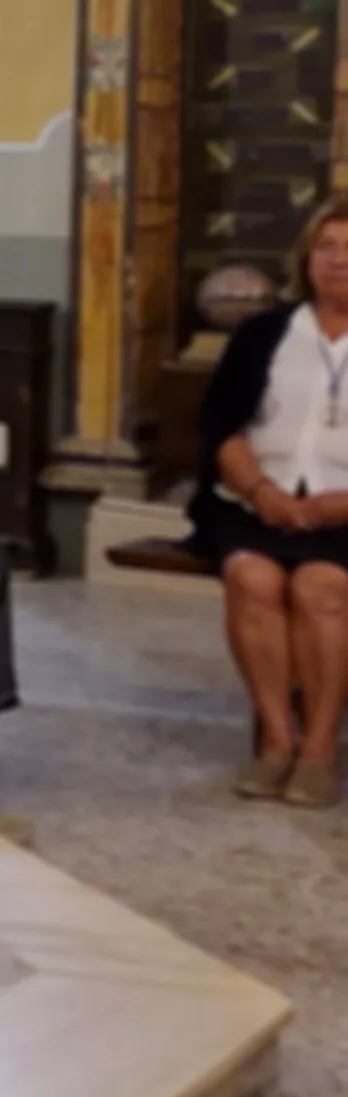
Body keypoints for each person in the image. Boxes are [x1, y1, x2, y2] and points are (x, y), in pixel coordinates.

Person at [192, 196, 348, 806]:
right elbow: (221, 428)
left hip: (344, 516)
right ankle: (276, 744)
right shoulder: (264, 333)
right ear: (307, 258)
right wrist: (260, 490)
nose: (339, 261)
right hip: (257, 503)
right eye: (328, 247)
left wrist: (336, 507)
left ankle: (319, 749)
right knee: (252, 578)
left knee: (319, 587)